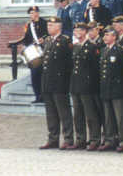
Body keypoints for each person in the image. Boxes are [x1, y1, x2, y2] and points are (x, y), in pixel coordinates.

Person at [39, 17, 74, 150]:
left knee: (63, 112)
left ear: (59, 26)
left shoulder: (65, 41)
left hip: (60, 82)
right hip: (48, 81)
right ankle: (53, 138)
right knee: (51, 113)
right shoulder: (48, 40)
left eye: (52, 25)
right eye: (48, 25)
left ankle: (68, 139)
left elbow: (69, 63)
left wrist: (66, 81)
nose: (49, 27)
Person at [98, 27, 123, 152]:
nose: (105, 37)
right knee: (108, 117)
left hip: (118, 88)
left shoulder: (120, 51)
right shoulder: (103, 50)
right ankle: (110, 139)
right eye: (104, 35)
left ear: (114, 37)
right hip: (106, 88)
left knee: (120, 117)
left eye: (108, 35)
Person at [69, 22, 102, 151]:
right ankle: (80, 139)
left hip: (87, 86)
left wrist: (92, 86)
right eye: (75, 30)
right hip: (76, 85)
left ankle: (95, 139)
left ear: (85, 32)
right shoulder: (75, 46)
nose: (77, 32)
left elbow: (95, 69)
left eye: (80, 30)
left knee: (91, 114)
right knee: (78, 115)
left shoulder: (92, 47)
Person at [17, 5, 47, 103]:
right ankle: (37, 96)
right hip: (34, 52)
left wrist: (44, 39)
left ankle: (44, 96)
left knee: (43, 75)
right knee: (34, 75)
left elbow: (48, 34)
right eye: (30, 13)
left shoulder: (44, 23)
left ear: (37, 13)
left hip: (44, 50)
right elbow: (27, 38)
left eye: (33, 13)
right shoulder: (29, 25)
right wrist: (24, 45)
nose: (32, 15)